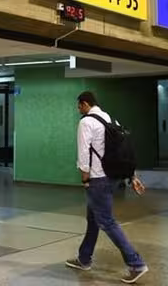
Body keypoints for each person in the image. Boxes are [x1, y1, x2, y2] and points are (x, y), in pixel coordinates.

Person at [65, 91, 148, 284]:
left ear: (85, 104)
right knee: (93, 218)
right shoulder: (110, 119)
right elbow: (123, 149)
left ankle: (136, 264)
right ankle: (84, 258)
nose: (78, 110)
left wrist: (85, 178)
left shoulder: (86, 122)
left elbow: (84, 152)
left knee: (106, 221)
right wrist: (131, 175)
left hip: (97, 178)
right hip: (112, 177)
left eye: (79, 106)